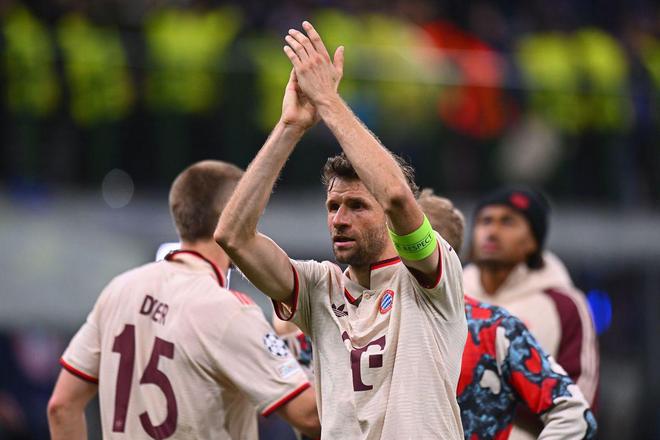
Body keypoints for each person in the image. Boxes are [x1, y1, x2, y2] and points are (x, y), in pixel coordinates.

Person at [215, 21, 467, 439]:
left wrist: (329, 101)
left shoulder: (430, 278)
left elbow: (397, 197)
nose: (339, 219)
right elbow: (232, 238)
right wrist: (290, 127)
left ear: (387, 217)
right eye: (333, 207)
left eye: (357, 206)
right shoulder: (319, 288)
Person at [47, 161, 320, 439]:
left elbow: (61, 407)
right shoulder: (229, 311)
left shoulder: (119, 289)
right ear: (237, 218)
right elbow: (310, 416)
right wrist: (299, 348)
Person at [417, 189, 597, 439]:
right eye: (485, 221)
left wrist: (504, 409)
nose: (492, 231)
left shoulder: (562, 304)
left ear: (533, 240)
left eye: (508, 222)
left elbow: (579, 398)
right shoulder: (447, 293)